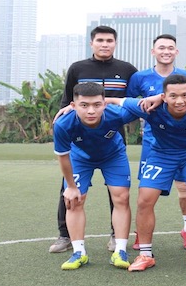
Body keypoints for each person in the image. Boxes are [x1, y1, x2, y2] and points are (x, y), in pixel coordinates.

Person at [108, 74, 186, 273]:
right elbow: (117, 101)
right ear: (164, 96)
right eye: (173, 96)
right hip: (161, 154)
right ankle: (145, 254)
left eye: (184, 95)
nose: (179, 101)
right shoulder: (149, 107)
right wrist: (73, 106)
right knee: (144, 200)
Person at [49, 25, 138, 254]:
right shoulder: (78, 68)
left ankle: (115, 235)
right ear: (92, 43)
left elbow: (135, 100)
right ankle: (65, 235)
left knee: (117, 190)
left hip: (112, 133)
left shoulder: (127, 69)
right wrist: (65, 114)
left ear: (115, 43)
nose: (104, 44)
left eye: (109, 40)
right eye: (100, 40)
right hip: (80, 135)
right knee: (69, 188)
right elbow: (68, 98)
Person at [53, 82, 137, 270]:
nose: (91, 111)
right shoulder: (63, 124)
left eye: (97, 105)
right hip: (80, 158)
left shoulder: (116, 114)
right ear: (73, 106)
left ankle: (120, 250)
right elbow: (63, 158)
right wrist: (71, 187)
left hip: (113, 155)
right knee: (74, 200)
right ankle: (78, 253)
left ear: (104, 104)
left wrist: (115, 100)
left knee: (122, 197)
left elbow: (141, 104)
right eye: (84, 105)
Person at [126, 34, 186, 251]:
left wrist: (160, 98)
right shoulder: (140, 77)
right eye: (161, 48)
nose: (166, 51)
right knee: (147, 192)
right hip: (153, 143)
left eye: (170, 48)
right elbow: (132, 103)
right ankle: (141, 234)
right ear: (153, 52)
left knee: (185, 188)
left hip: (184, 143)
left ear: (176, 52)